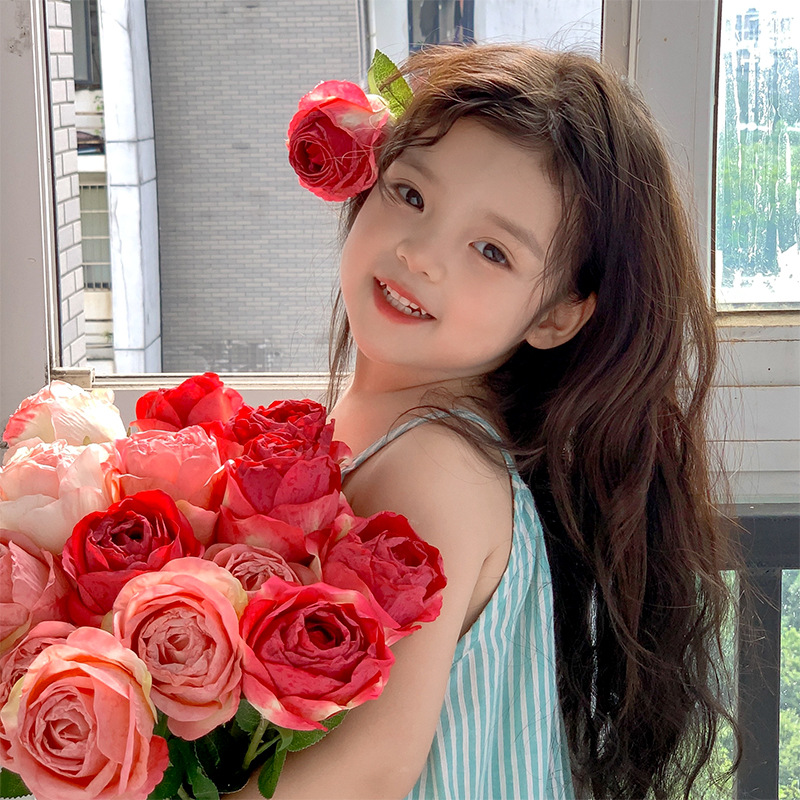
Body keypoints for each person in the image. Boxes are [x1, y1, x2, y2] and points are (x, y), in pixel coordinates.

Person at [238, 43, 739, 799]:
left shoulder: (434, 465)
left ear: (557, 315)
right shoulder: (392, 427)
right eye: (411, 194)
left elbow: (372, 768)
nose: (422, 254)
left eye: (491, 251)